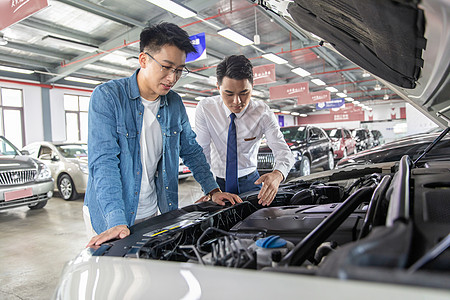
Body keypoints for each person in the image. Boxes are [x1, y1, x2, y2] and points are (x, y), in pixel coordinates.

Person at [84, 23, 241, 247]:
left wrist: (213, 190)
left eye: (179, 70)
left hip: (155, 211)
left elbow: (191, 150)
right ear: (144, 60)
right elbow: (103, 163)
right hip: (110, 215)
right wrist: (116, 221)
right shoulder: (108, 97)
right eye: (166, 67)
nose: (172, 77)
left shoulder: (174, 103)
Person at [195, 55, 295, 206]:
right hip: (216, 184)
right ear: (218, 87)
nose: (237, 102)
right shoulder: (205, 108)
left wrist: (278, 174)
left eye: (244, 93)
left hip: (251, 182)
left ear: (252, 87)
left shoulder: (262, 112)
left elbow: (283, 151)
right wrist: (209, 188)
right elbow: (202, 153)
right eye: (228, 94)